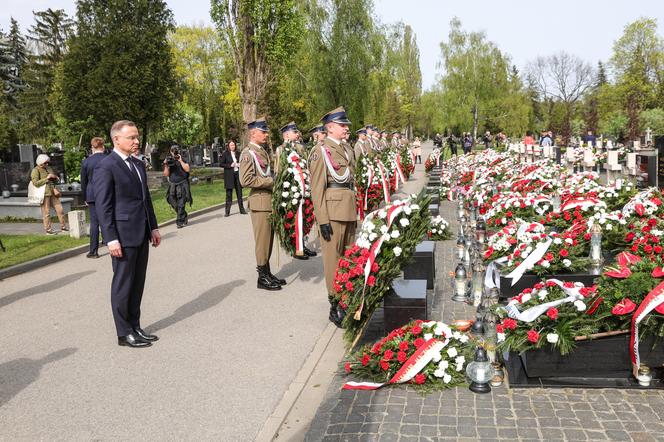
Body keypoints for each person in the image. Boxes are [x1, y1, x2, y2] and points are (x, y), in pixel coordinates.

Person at [94, 120, 161, 348]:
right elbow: (104, 207)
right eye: (131, 137)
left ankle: (135, 325)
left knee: (138, 282)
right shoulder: (107, 166)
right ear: (116, 139)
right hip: (122, 236)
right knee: (123, 284)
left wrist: (153, 226)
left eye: (137, 136)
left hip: (141, 232)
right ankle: (124, 333)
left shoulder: (138, 164)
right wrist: (111, 238)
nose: (136, 141)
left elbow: (145, 199)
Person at [308, 106, 356, 327]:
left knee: (348, 257)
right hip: (332, 212)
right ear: (330, 128)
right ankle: (334, 304)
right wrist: (323, 220)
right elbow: (317, 189)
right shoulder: (320, 151)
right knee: (332, 260)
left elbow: (349, 180)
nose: (347, 128)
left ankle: (346, 299)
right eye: (342, 125)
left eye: (346, 124)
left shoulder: (347, 149)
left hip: (347, 209)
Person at [240, 117, 286, 291]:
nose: (267, 134)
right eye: (263, 131)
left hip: (268, 201)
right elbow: (245, 179)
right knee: (262, 241)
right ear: (253, 133)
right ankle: (262, 277)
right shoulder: (248, 153)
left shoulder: (262, 152)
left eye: (266, 131)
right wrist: (270, 182)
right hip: (259, 202)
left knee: (268, 240)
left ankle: (267, 272)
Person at [275, 121, 317, 260]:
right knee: (293, 219)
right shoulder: (280, 149)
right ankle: (295, 247)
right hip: (290, 191)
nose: (297, 133)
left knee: (303, 218)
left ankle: (302, 246)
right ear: (286, 134)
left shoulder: (298, 147)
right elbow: (279, 171)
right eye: (294, 132)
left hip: (302, 188)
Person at [80, 137, 107, 257]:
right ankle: (109, 240)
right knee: (108, 218)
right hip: (107, 192)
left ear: (92, 147)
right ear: (103, 146)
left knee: (94, 223)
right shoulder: (109, 159)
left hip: (92, 194)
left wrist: (85, 196)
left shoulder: (86, 162)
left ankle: (93, 250)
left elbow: (83, 182)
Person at [31, 154, 68, 235]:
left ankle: (63, 227)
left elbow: (53, 179)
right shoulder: (35, 170)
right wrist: (47, 179)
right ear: (40, 162)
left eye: (48, 162)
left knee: (60, 209)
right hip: (44, 194)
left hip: (53, 192)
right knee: (46, 212)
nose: (47, 164)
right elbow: (35, 183)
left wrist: (55, 177)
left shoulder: (48, 168)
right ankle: (48, 229)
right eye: (45, 163)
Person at [163, 145, 192, 229]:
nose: (174, 152)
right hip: (173, 185)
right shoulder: (169, 159)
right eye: (172, 151)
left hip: (183, 184)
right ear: (171, 152)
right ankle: (184, 215)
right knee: (172, 201)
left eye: (176, 150)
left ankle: (179, 222)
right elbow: (166, 174)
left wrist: (180, 160)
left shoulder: (183, 157)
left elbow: (187, 169)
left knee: (181, 204)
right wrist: (165, 164)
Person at [220, 140, 246, 217]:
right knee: (229, 195)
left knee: (239, 193)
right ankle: (227, 212)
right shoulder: (225, 154)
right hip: (229, 176)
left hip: (237, 175)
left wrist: (240, 164)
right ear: (228, 146)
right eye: (231, 145)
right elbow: (221, 164)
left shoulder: (238, 153)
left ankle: (242, 210)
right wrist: (230, 165)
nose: (232, 146)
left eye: (233, 145)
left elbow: (243, 162)